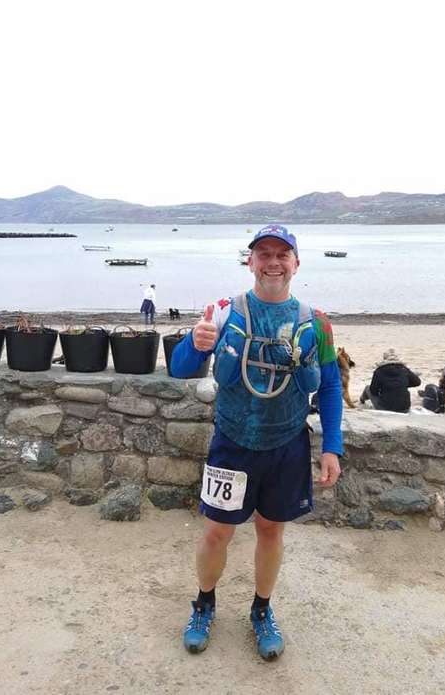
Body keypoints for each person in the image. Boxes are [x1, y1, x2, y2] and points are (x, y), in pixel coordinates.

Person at [170, 224, 343, 661]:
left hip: (286, 443)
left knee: (271, 530)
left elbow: (328, 388)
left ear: (296, 264)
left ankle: (261, 610)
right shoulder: (226, 312)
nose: (272, 262)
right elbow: (179, 368)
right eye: (263, 253)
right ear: (250, 262)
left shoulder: (316, 323)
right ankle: (204, 604)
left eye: (282, 254)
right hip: (233, 442)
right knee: (216, 532)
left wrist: (332, 446)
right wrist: (193, 342)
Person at [359, 348, 421, 413]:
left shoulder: (379, 371)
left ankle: (362, 401)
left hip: (385, 408)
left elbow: (373, 391)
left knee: (367, 388)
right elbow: (417, 382)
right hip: (405, 408)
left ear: (384, 358)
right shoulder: (404, 369)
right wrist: (401, 384)